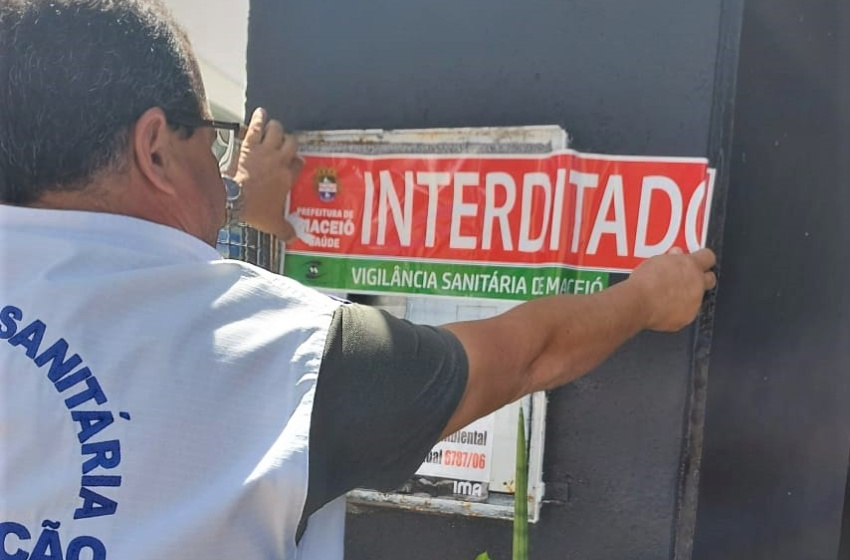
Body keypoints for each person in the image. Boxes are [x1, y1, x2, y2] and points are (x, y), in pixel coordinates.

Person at [0, 0, 716, 558]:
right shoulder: (298, 356)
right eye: (208, 138)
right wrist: (648, 297)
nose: (221, 180)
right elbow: (526, 353)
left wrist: (250, 210)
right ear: (155, 148)